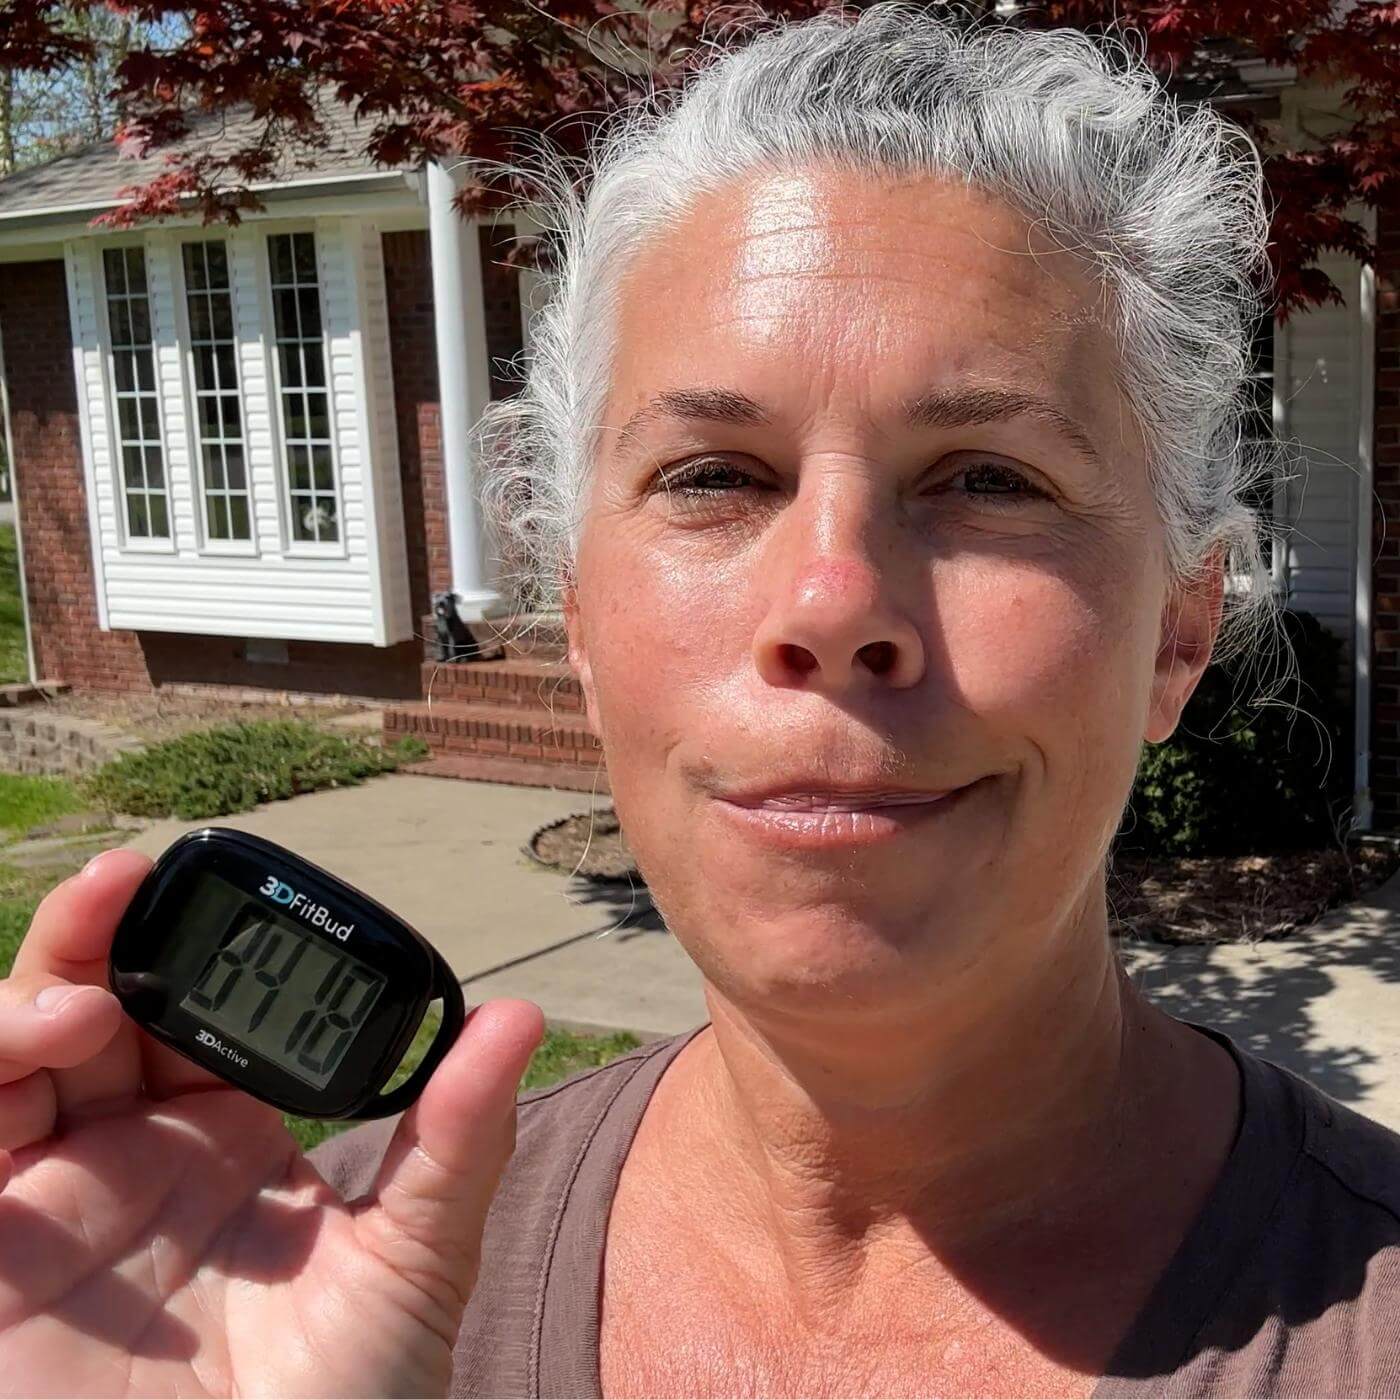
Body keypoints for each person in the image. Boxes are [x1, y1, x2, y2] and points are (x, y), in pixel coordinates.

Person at [5, 5, 1400, 1396]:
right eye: (713, 477)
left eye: (988, 479)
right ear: (584, 621)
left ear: (1177, 630)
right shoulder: (276, 1299)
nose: (832, 604)